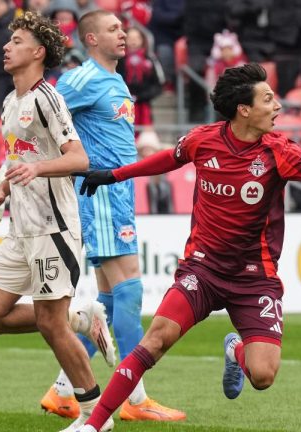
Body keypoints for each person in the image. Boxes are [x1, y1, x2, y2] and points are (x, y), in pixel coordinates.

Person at [70, 63, 301, 432]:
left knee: (263, 376)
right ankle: (92, 424)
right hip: (201, 271)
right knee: (156, 340)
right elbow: (166, 160)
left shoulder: (279, 152)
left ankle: (235, 348)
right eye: (268, 99)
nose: (278, 106)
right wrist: (115, 175)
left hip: (255, 280)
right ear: (244, 109)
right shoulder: (203, 141)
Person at [0, 12, 116, 432]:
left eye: (15, 40)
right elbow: (16, 159)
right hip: (21, 229)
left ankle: (94, 417)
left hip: (54, 227)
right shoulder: (10, 102)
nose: (5, 46)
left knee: (50, 323)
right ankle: (81, 317)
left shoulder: (46, 97)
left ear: (37, 52)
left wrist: (39, 169)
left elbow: (79, 159)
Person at [51, 10, 185, 423]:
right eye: (112, 29)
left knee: (108, 299)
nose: (123, 33)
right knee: (130, 291)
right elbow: (45, 113)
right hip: (102, 192)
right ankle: (135, 397)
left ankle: (62, 392)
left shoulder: (115, 80)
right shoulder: (81, 78)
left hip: (119, 191)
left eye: (122, 27)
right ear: (90, 38)